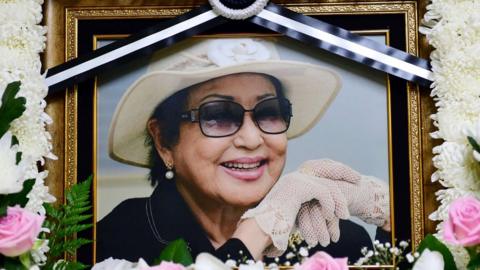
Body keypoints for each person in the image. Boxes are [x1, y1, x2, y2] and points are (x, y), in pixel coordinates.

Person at [96, 38, 390, 265]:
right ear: (163, 140)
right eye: (218, 114)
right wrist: (259, 230)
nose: (251, 139)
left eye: (269, 112)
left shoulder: (336, 242)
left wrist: (387, 211)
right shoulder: (111, 242)